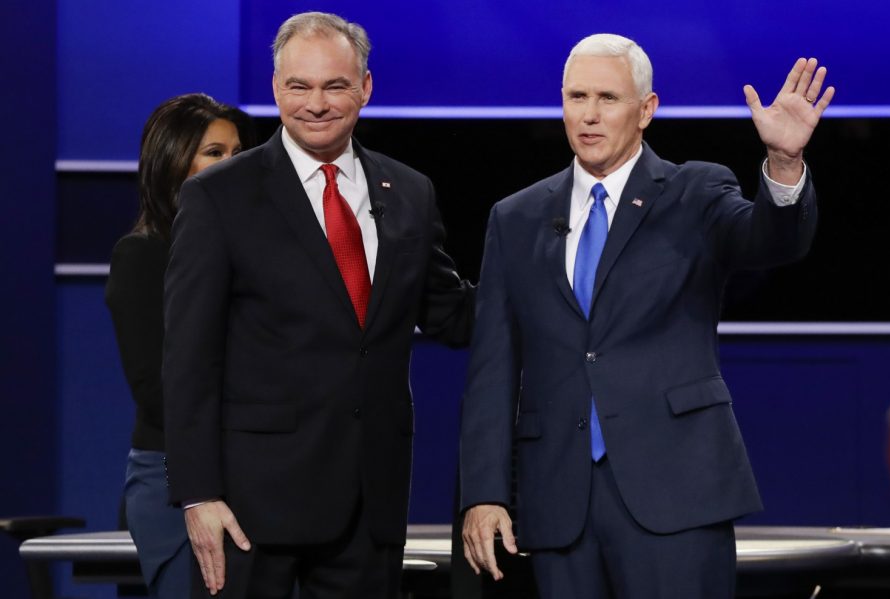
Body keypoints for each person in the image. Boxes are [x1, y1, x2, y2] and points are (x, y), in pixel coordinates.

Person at [459, 34, 833, 598]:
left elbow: (768, 240)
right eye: (576, 96)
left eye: (608, 98)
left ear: (646, 110)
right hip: (560, 500)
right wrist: (484, 492)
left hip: (677, 491)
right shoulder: (515, 217)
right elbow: (492, 366)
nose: (588, 115)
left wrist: (783, 162)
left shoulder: (694, 191)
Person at [162, 11, 474, 599]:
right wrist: (199, 493)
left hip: (369, 499)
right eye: (299, 86)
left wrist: (548, 287)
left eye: (335, 85)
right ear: (277, 88)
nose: (317, 104)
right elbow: (188, 357)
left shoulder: (408, 191)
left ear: (366, 88)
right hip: (252, 506)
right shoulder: (218, 196)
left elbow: (449, 312)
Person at [105, 93, 255, 598]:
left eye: (237, 153)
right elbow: (159, 392)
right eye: (214, 153)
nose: (231, 165)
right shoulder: (143, 256)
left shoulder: (251, 256)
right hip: (177, 481)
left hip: (251, 473)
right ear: (172, 161)